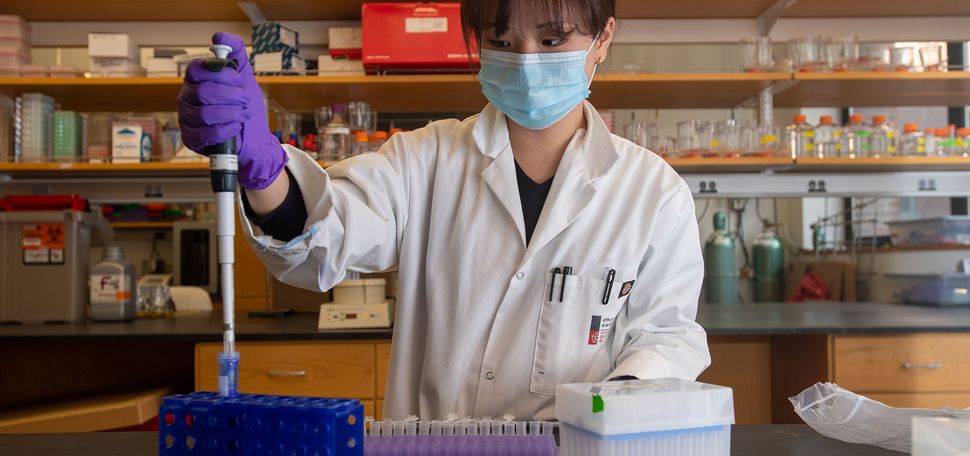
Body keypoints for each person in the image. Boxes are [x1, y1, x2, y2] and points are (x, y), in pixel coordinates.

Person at [177, 0, 710, 420]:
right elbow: (325, 235)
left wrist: (623, 400)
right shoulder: (423, 160)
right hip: (435, 444)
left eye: (552, 39)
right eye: (503, 42)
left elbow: (666, 334)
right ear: (478, 45)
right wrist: (263, 173)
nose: (526, 60)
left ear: (603, 39)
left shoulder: (652, 191)